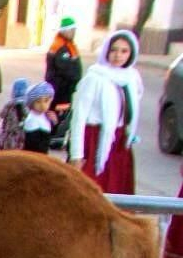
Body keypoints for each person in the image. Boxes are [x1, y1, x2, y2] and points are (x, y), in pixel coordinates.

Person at [68, 29, 142, 194]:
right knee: (91, 193)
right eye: (113, 50)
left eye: (124, 51)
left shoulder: (131, 78)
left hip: (119, 143)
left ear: (131, 53)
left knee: (117, 192)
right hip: (95, 141)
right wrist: (77, 155)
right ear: (106, 51)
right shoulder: (94, 78)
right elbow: (78, 118)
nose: (118, 55)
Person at [45, 16, 82, 114]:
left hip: (63, 89)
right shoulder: (61, 47)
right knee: (60, 115)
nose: (74, 32)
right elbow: (66, 69)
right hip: (60, 90)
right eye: (71, 30)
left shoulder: (67, 45)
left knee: (63, 113)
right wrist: (75, 79)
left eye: (74, 30)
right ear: (64, 31)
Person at [21, 82, 57, 154]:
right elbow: (33, 145)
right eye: (38, 102)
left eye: (46, 101)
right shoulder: (32, 120)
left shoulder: (44, 116)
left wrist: (54, 123)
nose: (43, 105)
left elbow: (50, 135)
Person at [0, 78, 29, 151]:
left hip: (9, 132)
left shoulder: (9, 104)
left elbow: (1, 115)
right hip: (21, 133)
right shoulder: (27, 104)